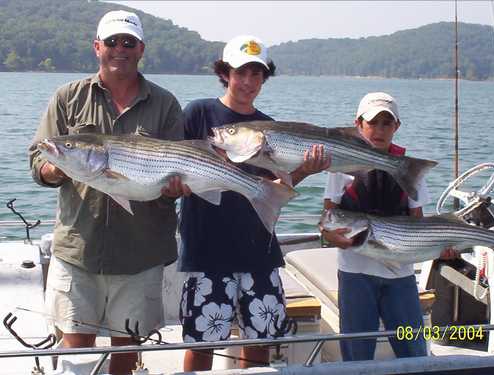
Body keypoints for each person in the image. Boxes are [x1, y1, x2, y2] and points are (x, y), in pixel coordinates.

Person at [28, 10, 187, 374]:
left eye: (128, 42)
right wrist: (58, 165)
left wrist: (175, 189)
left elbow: (173, 184)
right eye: (112, 42)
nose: (120, 49)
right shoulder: (68, 97)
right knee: (76, 351)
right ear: (97, 47)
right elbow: (39, 159)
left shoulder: (165, 104)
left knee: (126, 354)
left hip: (140, 254)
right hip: (78, 251)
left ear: (141, 49)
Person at [177, 35, 330, 371]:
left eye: (256, 74)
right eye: (240, 72)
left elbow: (278, 187)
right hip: (206, 251)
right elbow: (176, 167)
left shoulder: (270, 129)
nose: (248, 82)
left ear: (264, 78)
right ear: (225, 72)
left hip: (258, 250)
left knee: (259, 344)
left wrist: (303, 169)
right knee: (201, 344)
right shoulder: (199, 113)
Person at [321, 92, 451, 361]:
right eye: (372, 123)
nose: (379, 130)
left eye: (386, 123)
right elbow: (327, 219)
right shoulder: (340, 166)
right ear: (358, 124)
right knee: (357, 355)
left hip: (400, 276)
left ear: (396, 127)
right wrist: (334, 238)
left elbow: (418, 221)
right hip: (355, 274)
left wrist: (442, 248)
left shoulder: (409, 168)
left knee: (414, 352)